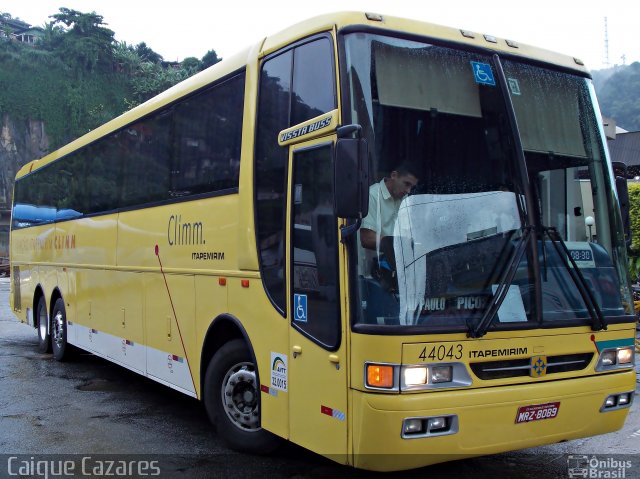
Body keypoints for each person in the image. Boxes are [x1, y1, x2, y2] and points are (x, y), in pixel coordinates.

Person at [359, 163, 419, 278]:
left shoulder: (404, 199)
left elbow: (408, 233)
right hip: (369, 275)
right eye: (406, 184)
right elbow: (367, 238)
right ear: (394, 175)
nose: (408, 190)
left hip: (394, 271)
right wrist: (404, 245)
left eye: (412, 187)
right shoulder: (371, 195)